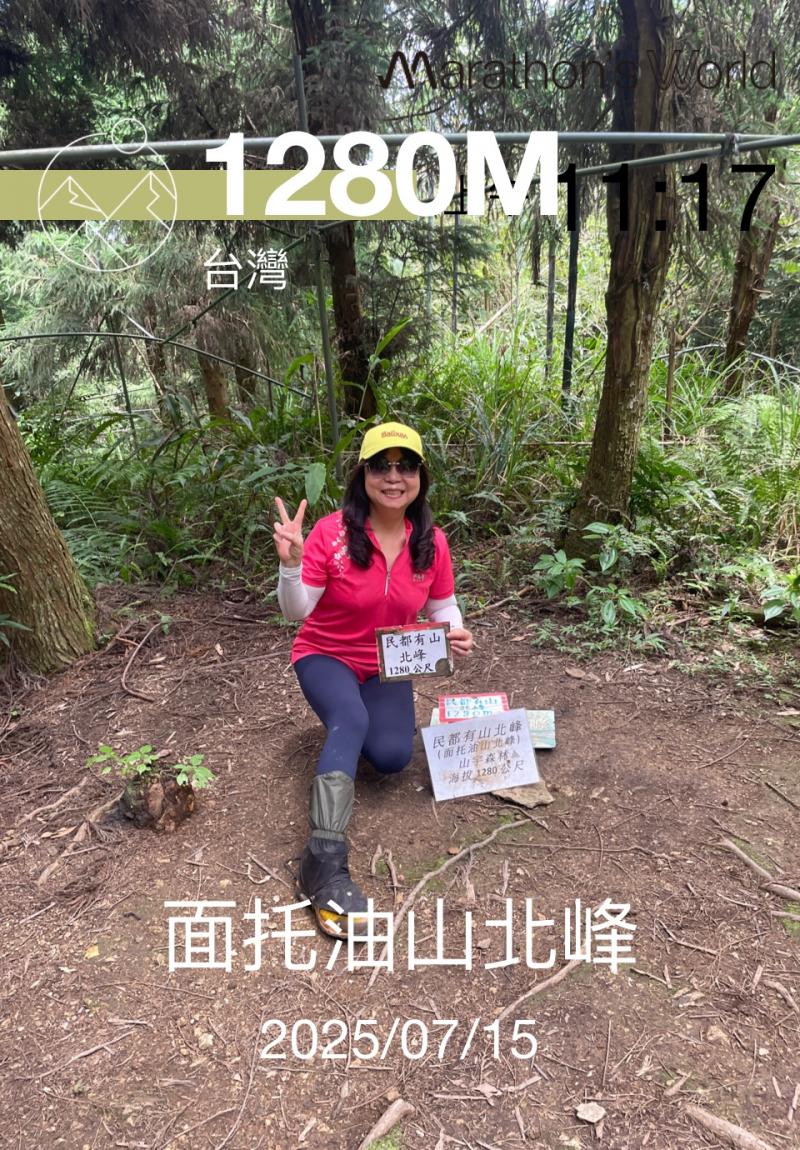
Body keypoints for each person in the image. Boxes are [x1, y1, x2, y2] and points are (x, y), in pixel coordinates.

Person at [273, 422, 474, 938]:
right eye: (381, 465)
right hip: (326, 654)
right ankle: (322, 861)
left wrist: (453, 630)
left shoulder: (431, 541)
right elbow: (297, 611)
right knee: (350, 718)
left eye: (406, 466)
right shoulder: (332, 534)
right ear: (362, 474)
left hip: (389, 662)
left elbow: (442, 605)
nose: (393, 476)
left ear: (420, 477)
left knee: (391, 757)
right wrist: (292, 565)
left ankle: (349, 736)